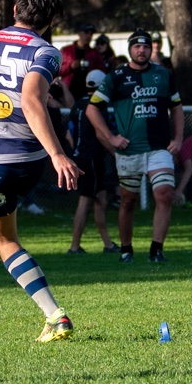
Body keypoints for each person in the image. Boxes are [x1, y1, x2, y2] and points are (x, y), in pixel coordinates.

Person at [0, 0, 81, 344]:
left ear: (15, 10)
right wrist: (56, 153)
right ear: (50, 20)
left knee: (7, 242)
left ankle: (56, 316)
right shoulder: (47, 53)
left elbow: (28, 99)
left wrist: (59, 153)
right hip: (29, 162)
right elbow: (34, 99)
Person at [86, 27, 183, 264]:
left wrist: (178, 138)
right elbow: (92, 108)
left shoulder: (163, 74)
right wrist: (111, 137)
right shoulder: (117, 76)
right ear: (130, 49)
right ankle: (126, 250)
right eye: (137, 46)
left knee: (164, 194)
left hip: (159, 148)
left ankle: (156, 250)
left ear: (151, 49)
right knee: (128, 201)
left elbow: (177, 107)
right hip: (129, 151)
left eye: (146, 46)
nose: (142, 50)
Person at [66, 69, 119, 255]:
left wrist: (77, 151)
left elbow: (68, 134)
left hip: (80, 156)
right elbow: (101, 134)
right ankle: (75, 246)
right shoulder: (98, 106)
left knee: (100, 199)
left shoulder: (78, 104)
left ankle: (107, 244)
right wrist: (115, 153)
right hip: (92, 158)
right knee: (87, 199)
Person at [60, 23, 101, 100]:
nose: (89, 36)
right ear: (79, 33)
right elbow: (57, 70)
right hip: (69, 89)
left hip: (87, 89)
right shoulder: (66, 50)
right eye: (86, 33)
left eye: (91, 34)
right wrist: (70, 66)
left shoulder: (94, 53)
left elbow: (101, 71)